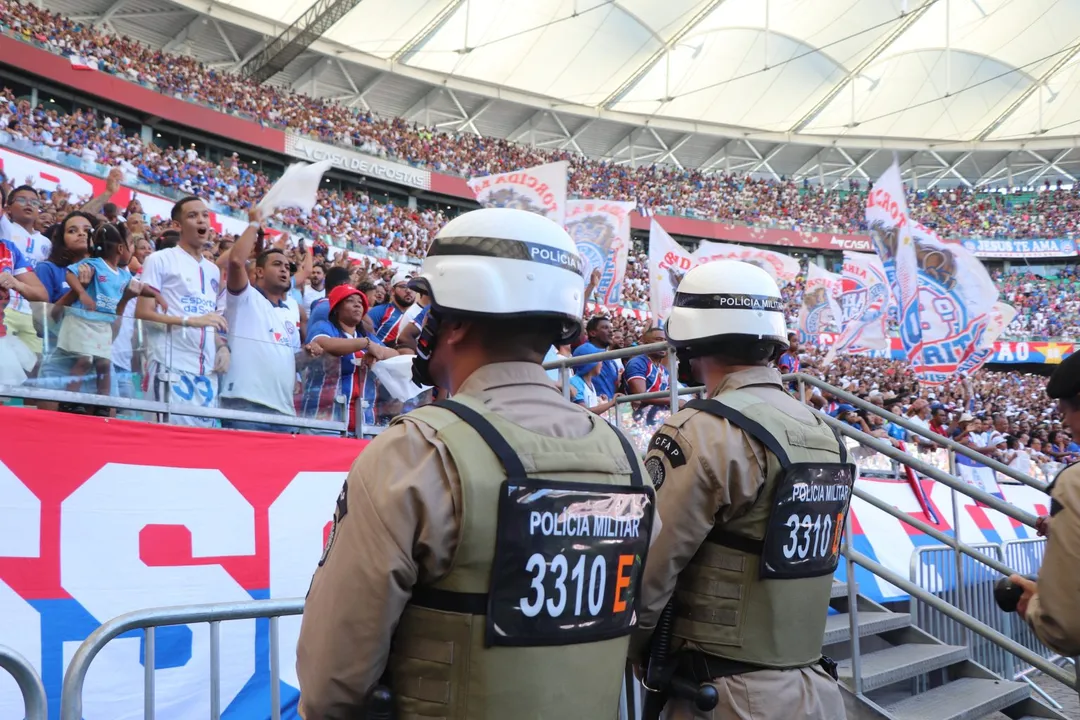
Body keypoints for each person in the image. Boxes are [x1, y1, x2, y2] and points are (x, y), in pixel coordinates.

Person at [296, 207, 658, 719]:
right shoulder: (627, 459)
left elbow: (332, 680)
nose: (421, 320)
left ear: (457, 321)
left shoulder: (416, 450)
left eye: (428, 304)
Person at [636, 260, 851, 720]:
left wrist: (627, 649)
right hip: (815, 687)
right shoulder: (825, 433)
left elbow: (649, 570)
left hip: (726, 693)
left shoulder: (700, 430)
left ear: (690, 341)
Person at [220, 207, 323, 432]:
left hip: (283, 411)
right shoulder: (244, 298)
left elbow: (287, 361)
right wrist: (255, 224)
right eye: (277, 265)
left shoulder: (292, 310)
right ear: (258, 273)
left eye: (287, 266)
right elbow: (236, 261)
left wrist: (307, 355)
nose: (285, 270)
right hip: (244, 405)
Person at [1010, 350, 1080, 657]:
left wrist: (1034, 606)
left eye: (1065, 411)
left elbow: (1067, 627)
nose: (1065, 424)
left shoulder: (1073, 484)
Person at [136, 196, 229, 426]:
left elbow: (210, 319)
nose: (201, 220)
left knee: (200, 451)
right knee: (163, 446)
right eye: (192, 215)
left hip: (207, 375)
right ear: (177, 226)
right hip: (170, 368)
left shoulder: (213, 270)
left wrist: (223, 347)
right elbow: (143, 312)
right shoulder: (158, 260)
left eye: (205, 215)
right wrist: (190, 321)